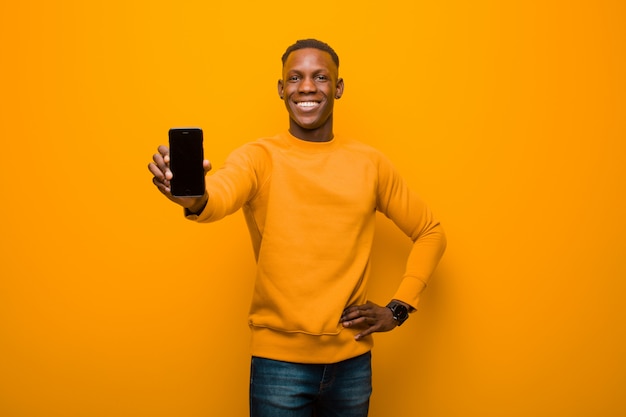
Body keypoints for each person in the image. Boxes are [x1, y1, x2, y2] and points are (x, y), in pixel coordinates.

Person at [148, 38, 446, 417]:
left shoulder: (370, 164)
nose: (307, 87)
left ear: (337, 88)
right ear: (281, 89)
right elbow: (220, 195)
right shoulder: (258, 158)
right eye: (295, 78)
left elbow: (430, 231)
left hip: (352, 364)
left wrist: (399, 309)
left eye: (320, 77)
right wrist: (195, 199)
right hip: (278, 368)